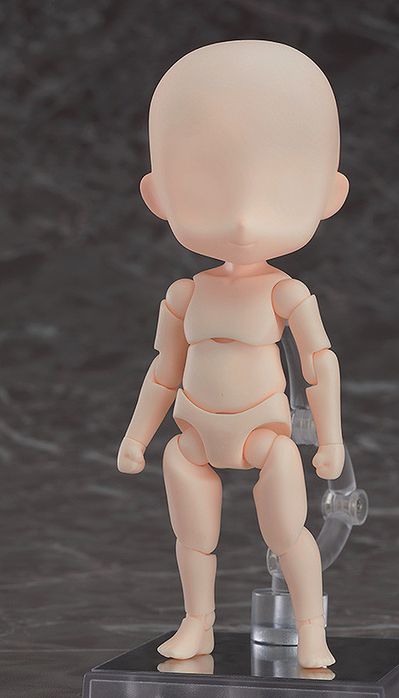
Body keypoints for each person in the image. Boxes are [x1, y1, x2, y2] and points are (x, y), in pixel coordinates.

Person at [117, 39, 349, 668]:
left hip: (266, 436)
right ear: (158, 194)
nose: (243, 218)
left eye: (280, 183)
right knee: (193, 538)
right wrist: (138, 435)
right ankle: (197, 621)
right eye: (204, 182)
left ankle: (311, 628)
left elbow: (319, 365)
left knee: (288, 534)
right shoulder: (185, 294)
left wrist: (330, 439)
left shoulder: (286, 292)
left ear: (330, 194)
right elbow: (163, 371)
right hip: (194, 433)